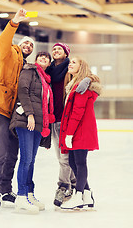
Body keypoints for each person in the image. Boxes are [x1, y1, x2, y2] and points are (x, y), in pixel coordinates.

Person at [0, 8, 35, 209]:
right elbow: (3, 41)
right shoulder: (9, 53)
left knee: (13, 151)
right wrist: (14, 22)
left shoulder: (26, 66)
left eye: (31, 45)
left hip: (14, 112)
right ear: (19, 44)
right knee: (2, 149)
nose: (29, 46)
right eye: (26, 42)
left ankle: (6, 189)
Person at [9, 52, 55, 214]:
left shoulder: (46, 80)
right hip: (26, 120)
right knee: (26, 159)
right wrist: (29, 114)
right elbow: (23, 91)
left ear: (49, 63)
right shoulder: (29, 71)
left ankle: (29, 193)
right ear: (36, 60)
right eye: (41, 57)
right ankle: (21, 197)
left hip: (38, 123)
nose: (44, 58)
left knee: (31, 160)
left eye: (46, 58)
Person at [45, 43, 91, 207]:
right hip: (53, 119)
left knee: (66, 159)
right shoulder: (48, 71)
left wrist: (88, 79)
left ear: (66, 54)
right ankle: (80, 188)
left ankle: (64, 187)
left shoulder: (71, 69)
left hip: (66, 120)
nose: (56, 51)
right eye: (54, 49)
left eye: (60, 49)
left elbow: (87, 74)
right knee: (62, 158)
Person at [59, 56, 102, 210]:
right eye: (70, 62)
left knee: (79, 162)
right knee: (73, 162)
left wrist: (69, 134)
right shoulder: (74, 85)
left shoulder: (81, 87)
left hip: (80, 130)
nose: (70, 64)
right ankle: (87, 194)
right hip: (77, 129)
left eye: (74, 62)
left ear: (81, 67)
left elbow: (77, 111)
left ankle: (78, 195)